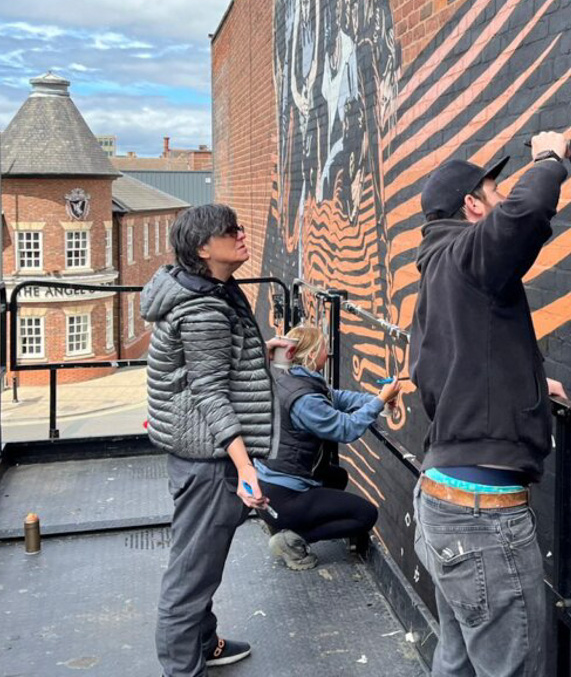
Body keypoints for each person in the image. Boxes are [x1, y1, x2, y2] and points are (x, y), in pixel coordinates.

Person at [410, 132, 571, 677]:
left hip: (442, 505)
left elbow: (445, 368)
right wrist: (551, 158)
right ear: (472, 206)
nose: (501, 196)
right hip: (482, 521)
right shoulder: (467, 252)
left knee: (456, 662)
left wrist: (524, 385)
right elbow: (523, 219)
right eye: (493, 189)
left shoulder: (438, 269)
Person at [141, 204, 274, 676]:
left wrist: (262, 354)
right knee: (190, 575)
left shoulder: (202, 288)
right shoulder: (203, 308)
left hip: (194, 453)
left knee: (199, 562)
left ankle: (204, 643)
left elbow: (213, 367)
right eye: (230, 231)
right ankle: (183, 668)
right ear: (203, 248)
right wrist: (245, 466)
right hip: (208, 460)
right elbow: (210, 392)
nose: (242, 235)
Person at [257, 323, 403, 569]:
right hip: (282, 497)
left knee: (336, 476)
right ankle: (293, 538)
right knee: (365, 515)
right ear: (313, 354)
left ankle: (280, 522)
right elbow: (345, 429)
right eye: (324, 347)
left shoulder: (290, 379)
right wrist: (379, 401)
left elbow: (337, 398)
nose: (328, 352)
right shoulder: (304, 399)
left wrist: (377, 400)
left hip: (271, 490)